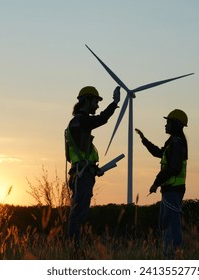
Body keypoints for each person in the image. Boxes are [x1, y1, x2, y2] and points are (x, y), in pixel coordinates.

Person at [65, 85, 120, 255]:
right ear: (86, 101)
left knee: (79, 213)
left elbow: (78, 154)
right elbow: (102, 119)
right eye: (95, 102)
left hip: (83, 173)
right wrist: (115, 102)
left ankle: (74, 249)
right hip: (81, 176)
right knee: (78, 214)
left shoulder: (78, 123)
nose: (97, 106)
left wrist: (93, 169)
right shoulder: (80, 121)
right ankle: (74, 252)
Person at [135, 109, 188, 259]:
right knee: (165, 224)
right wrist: (144, 140)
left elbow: (173, 168)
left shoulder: (177, 143)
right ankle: (168, 255)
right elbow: (159, 153)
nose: (165, 125)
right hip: (169, 190)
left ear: (176, 124)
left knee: (172, 225)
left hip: (173, 190)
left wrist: (156, 183)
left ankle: (174, 257)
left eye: (168, 122)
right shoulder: (173, 142)